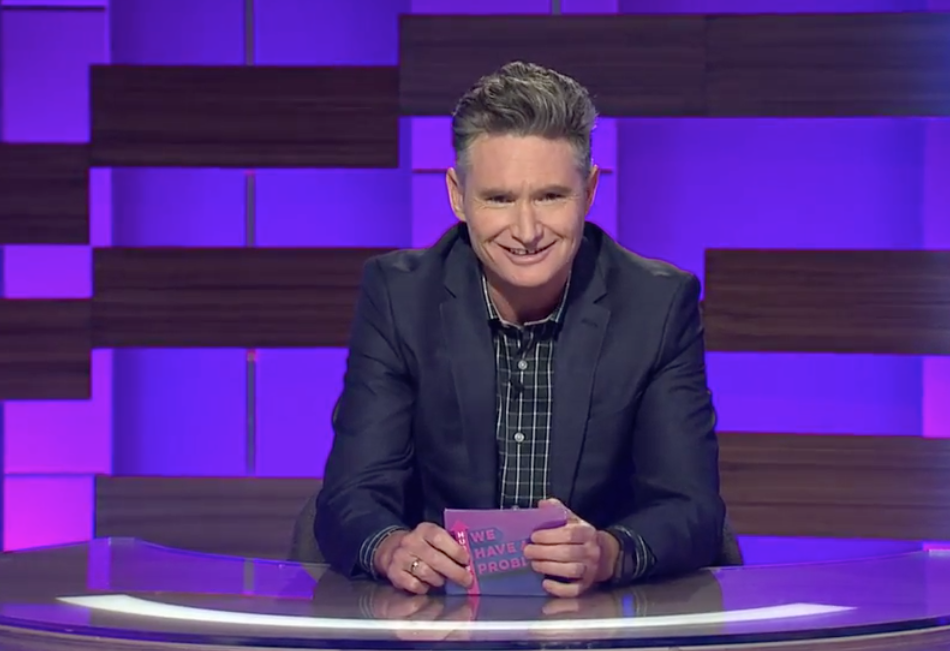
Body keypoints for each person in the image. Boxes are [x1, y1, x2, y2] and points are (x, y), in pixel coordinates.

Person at [315, 61, 725, 598]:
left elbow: (691, 507)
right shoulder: (400, 297)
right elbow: (351, 495)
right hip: (438, 617)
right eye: (500, 198)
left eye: (551, 196)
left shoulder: (657, 305)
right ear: (458, 195)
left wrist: (608, 552)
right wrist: (391, 546)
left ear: (590, 191)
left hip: (596, 617)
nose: (527, 231)